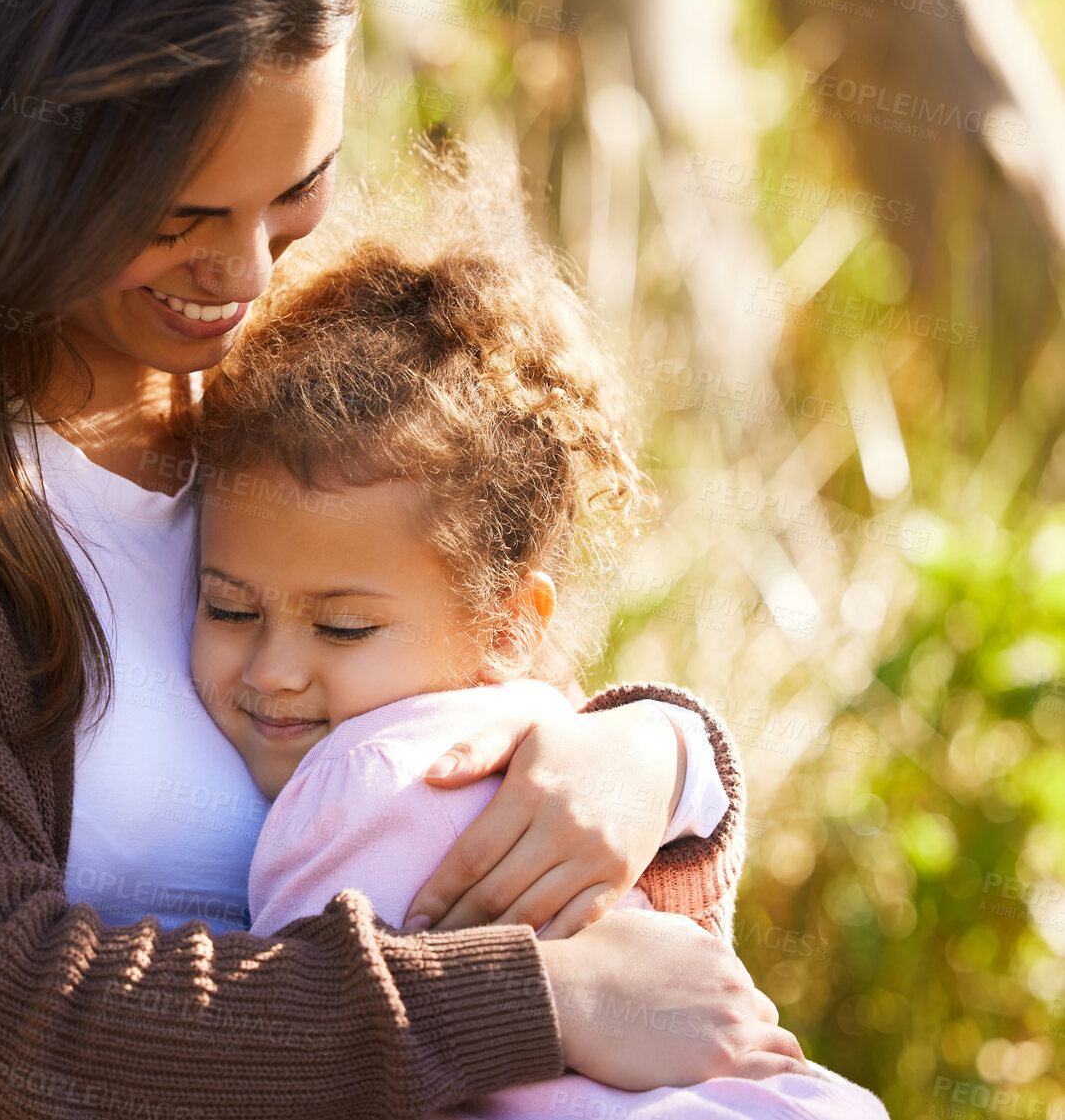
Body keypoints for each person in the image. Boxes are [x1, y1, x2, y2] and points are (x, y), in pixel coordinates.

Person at [0, 0, 803, 1116]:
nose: (244, 274)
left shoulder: (290, 404)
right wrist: (521, 1000)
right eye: (173, 216)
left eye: (295, 191)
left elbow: (465, 718)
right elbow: (12, 1034)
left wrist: (656, 756)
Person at [185, 166, 888, 1116]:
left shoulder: (364, 779)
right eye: (228, 607)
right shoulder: (553, 733)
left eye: (343, 626)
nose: (271, 669)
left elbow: (300, 1065)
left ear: (511, 624)